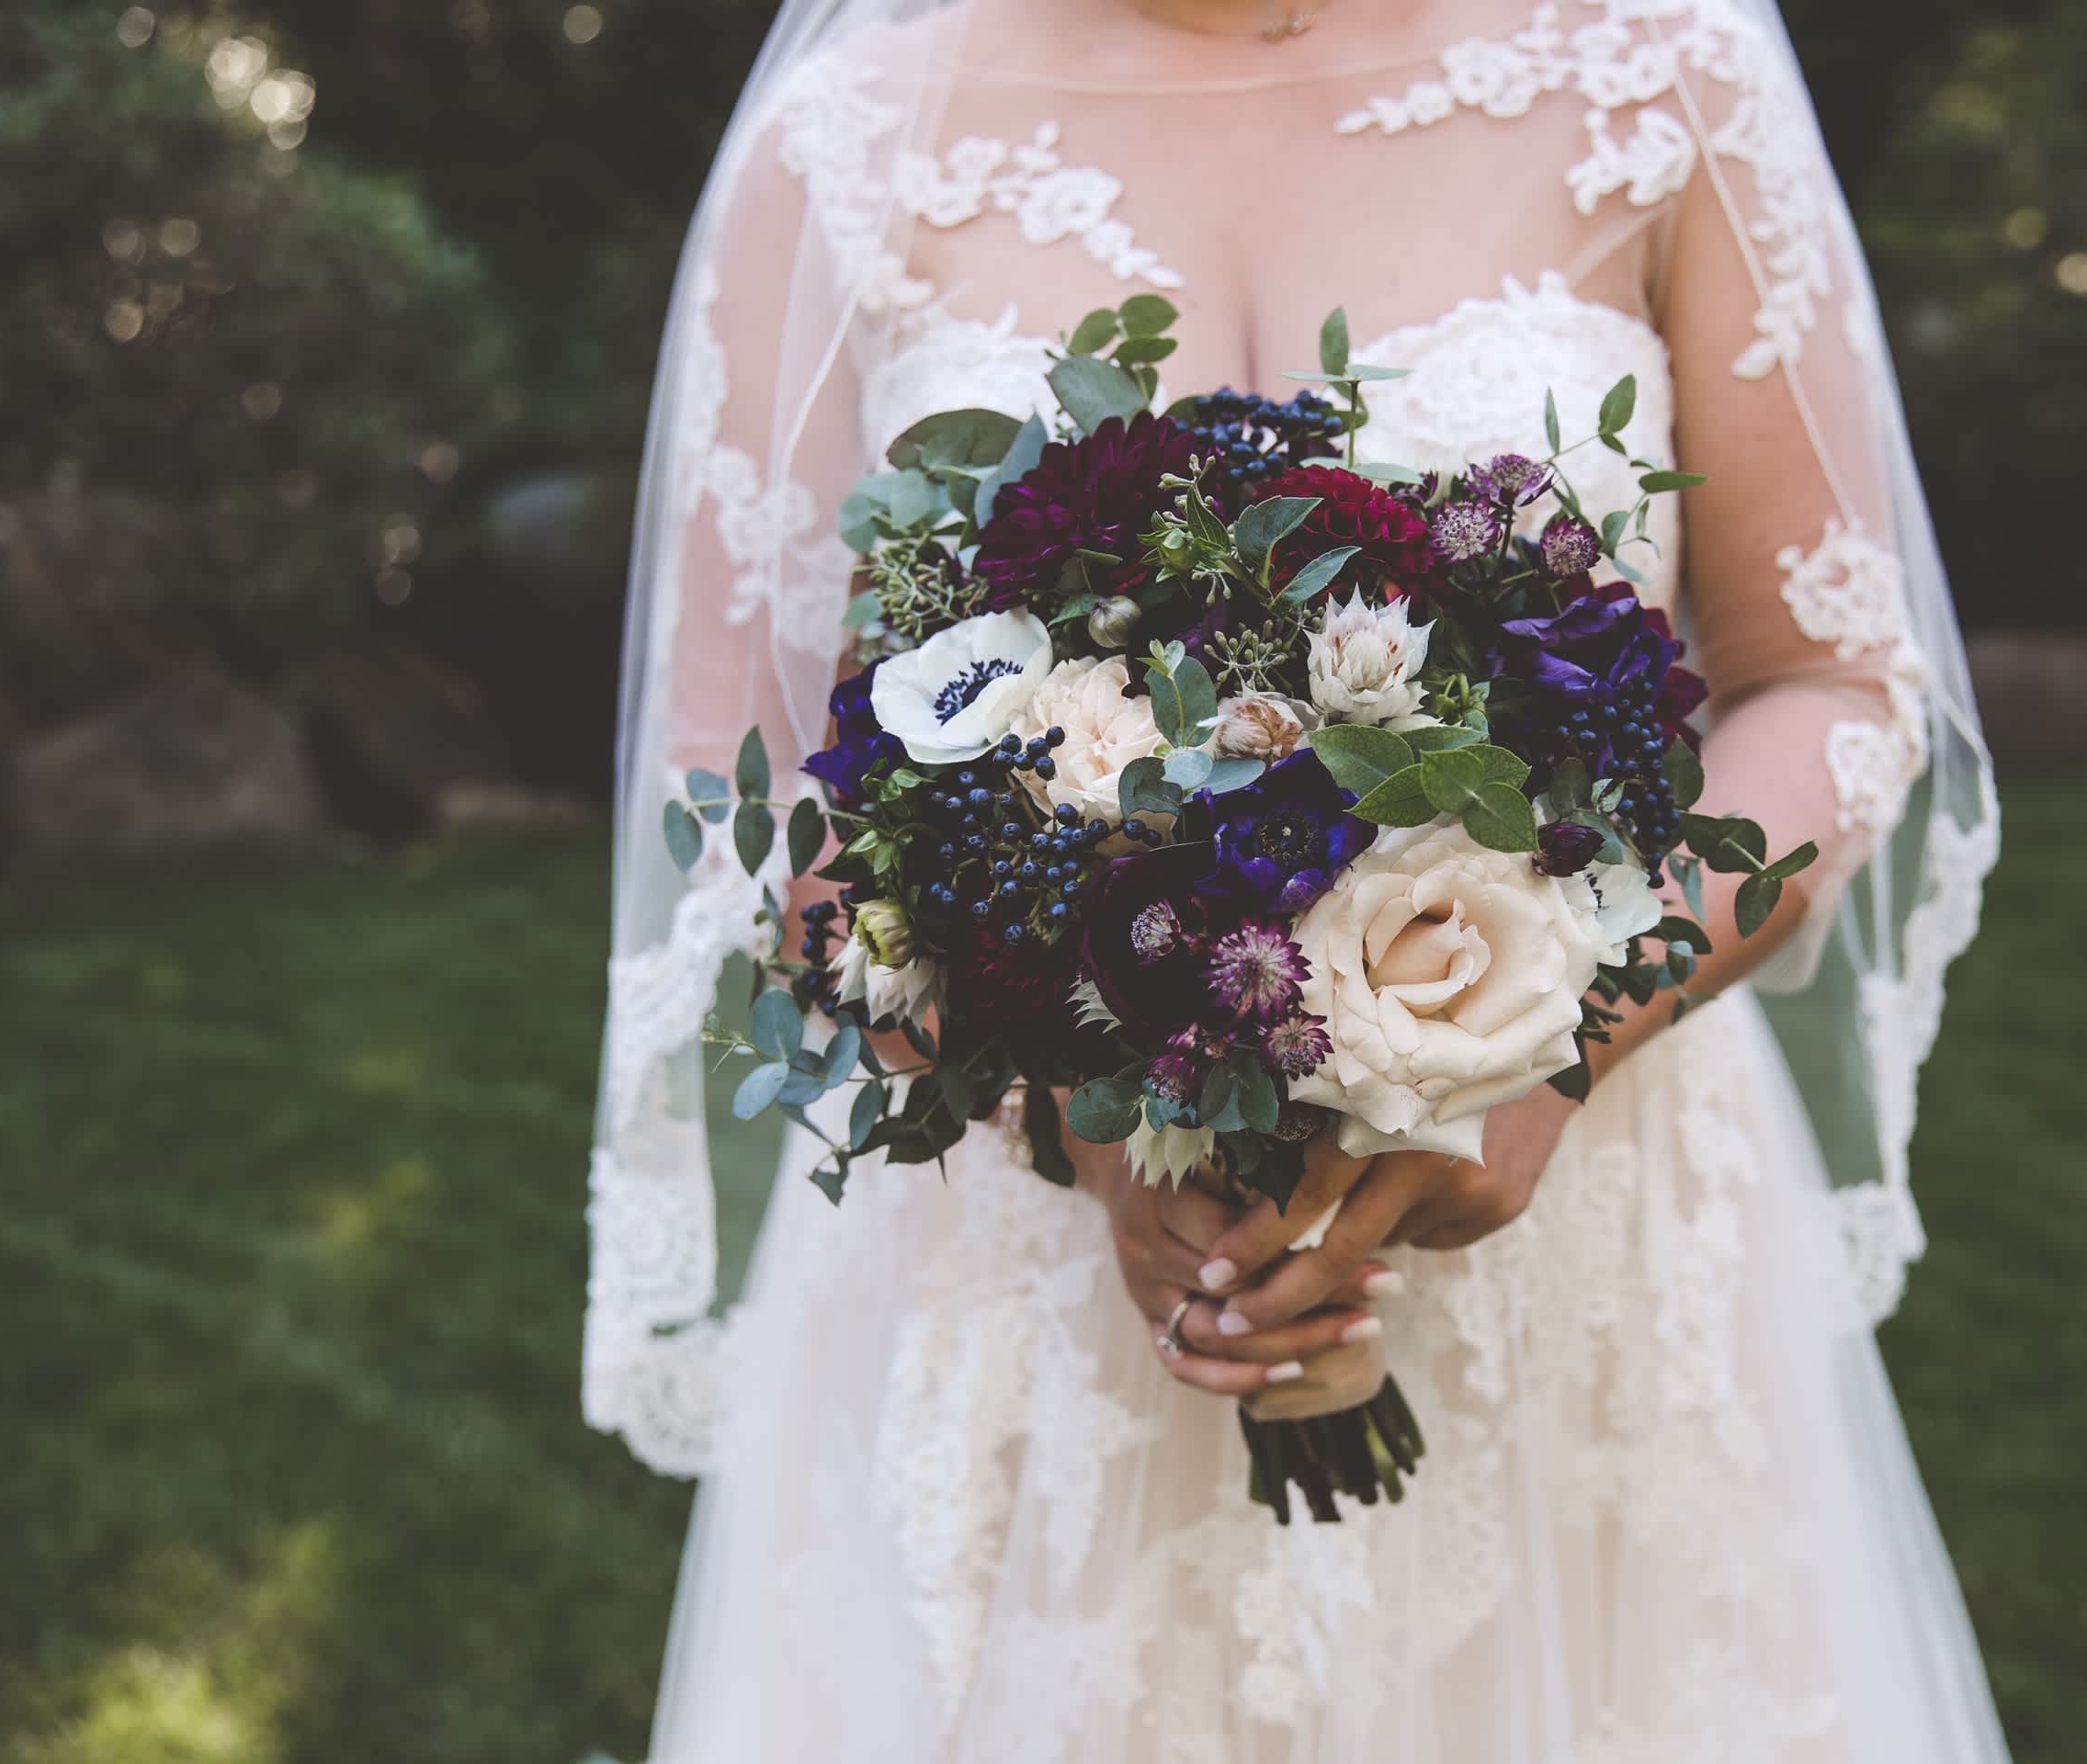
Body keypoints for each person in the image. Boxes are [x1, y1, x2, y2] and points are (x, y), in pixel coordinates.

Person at [587, 0, 2008, 1755]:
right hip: (1035, 1290)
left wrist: (1551, 1042)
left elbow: (1828, 678)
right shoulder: (856, 133)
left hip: (1577, 1234)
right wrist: (1066, 1120)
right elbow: (739, 764)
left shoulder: (1656, 66)